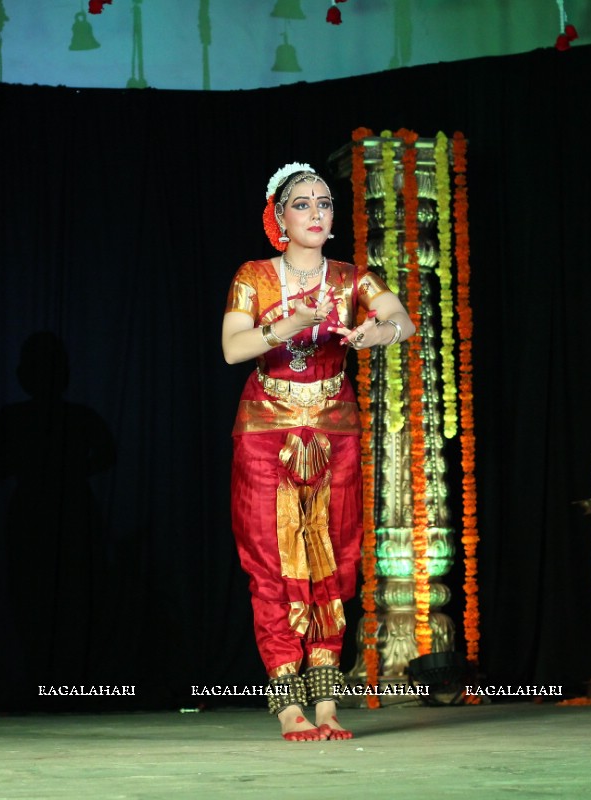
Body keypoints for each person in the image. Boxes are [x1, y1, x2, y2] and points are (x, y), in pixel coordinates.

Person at [221, 162, 415, 741]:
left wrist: (371, 334)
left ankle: (327, 701)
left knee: (337, 555)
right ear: (279, 217)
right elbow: (233, 349)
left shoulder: (355, 278)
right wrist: (287, 326)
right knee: (272, 563)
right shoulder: (253, 277)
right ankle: (288, 700)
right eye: (301, 204)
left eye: (324, 203)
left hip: (335, 430)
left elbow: (401, 320)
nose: (315, 213)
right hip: (266, 430)